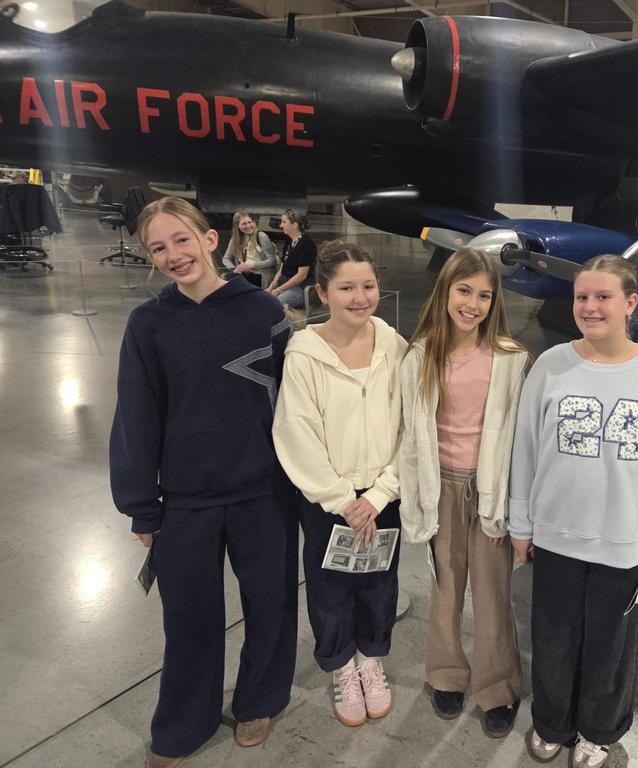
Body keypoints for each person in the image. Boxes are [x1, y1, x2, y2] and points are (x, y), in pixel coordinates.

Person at [109, 197, 297, 768]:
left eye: (181, 240)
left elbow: (300, 404)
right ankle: (183, 721)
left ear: (209, 239)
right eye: (158, 248)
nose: (173, 255)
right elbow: (135, 415)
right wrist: (143, 507)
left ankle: (259, 699)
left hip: (264, 492)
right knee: (187, 617)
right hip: (186, 499)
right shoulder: (148, 324)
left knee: (271, 604)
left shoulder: (263, 311)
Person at [509, 254, 638, 767]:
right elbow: (525, 449)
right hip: (555, 536)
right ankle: (552, 722)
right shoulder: (550, 365)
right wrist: (521, 523)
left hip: (624, 541)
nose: (590, 307)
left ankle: (598, 729)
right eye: (581, 297)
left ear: (630, 303)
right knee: (552, 638)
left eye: (603, 297)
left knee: (611, 648)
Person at [272, 241, 407, 727]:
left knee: (379, 581)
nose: (360, 297)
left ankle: (371, 659)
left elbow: (409, 424)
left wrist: (380, 493)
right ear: (322, 292)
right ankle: (341, 666)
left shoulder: (393, 345)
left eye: (367, 285)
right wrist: (341, 499)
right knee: (330, 588)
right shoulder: (304, 354)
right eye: (346, 287)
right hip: (329, 501)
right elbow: (295, 431)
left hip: (382, 497)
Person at [399, 248, 529, 738]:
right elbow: (410, 435)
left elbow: (520, 441)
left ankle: (498, 687)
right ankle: (446, 674)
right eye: (464, 291)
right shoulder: (421, 355)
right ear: (446, 292)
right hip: (443, 488)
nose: (472, 304)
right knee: (445, 589)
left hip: (490, 489)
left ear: (494, 302)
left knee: (494, 595)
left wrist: (517, 507)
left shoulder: (512, 361)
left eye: (483, 295)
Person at [267, 209, 316, 310]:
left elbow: (301, 276)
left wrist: (279, 290)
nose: (281, 226)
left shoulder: (306, 244)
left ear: (294, 225)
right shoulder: (289, 242)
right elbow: (282, 268)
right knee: (265, 299)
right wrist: (271, 287)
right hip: (285, 285)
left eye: (284, 222)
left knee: (276, 304)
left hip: (300, 288)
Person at [222, 210, 278, 287]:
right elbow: (226, 258)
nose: (248, 226)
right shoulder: (235, 239)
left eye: (249, 222)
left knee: (233, 282)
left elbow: (272, 261)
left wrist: (252, 265)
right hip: (244, 274)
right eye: (244, 224)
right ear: (237, 226)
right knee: (224, 279)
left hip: (260, 275)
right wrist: (234, 268)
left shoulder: (261, 236)